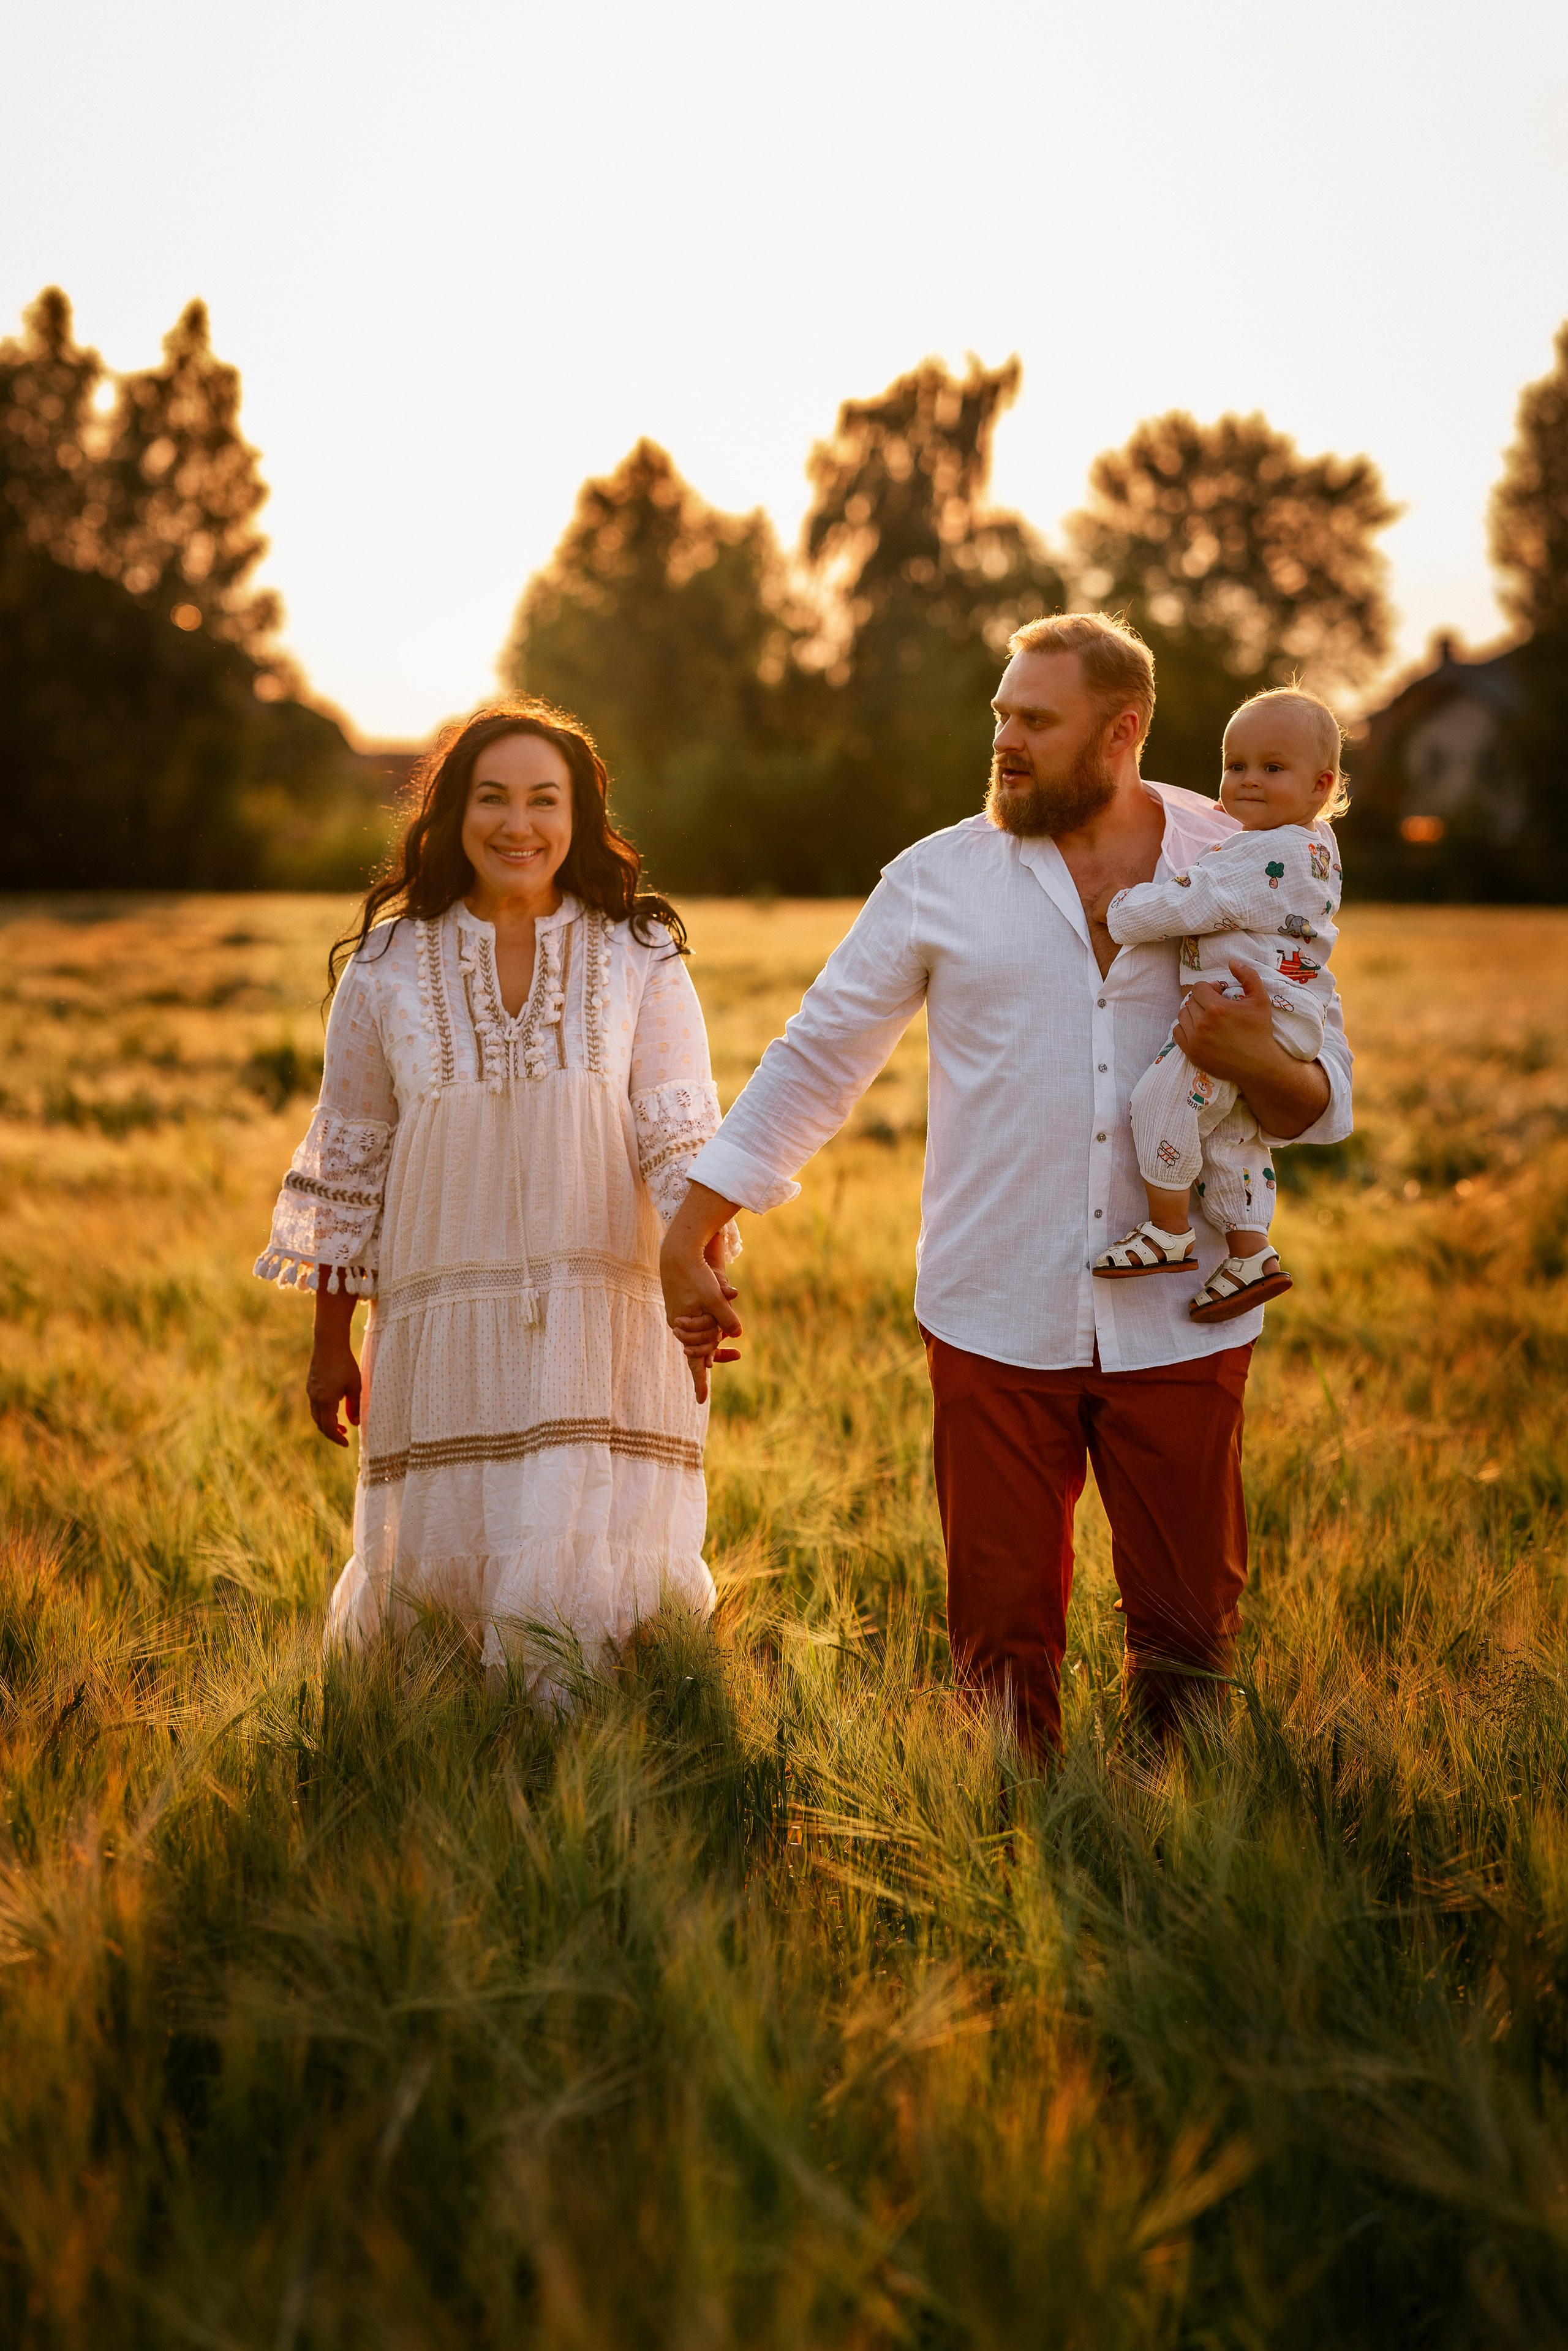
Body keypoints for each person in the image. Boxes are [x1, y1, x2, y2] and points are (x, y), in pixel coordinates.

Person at [658, 613, 1352, 1756]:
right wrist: (696, 1222)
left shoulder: (1241, 856)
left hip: (1182, 1324)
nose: (1006, 741)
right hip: (991, 1319)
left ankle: (1169, 1868)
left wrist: (1256, 1061)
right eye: (1001, 717)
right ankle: (1015, 1851)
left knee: (1188, 1636)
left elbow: (1320, 1094)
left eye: (1036, 720)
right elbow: (820, 1053)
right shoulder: (939, 878)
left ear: (1120, 730)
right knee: (997, 1646)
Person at [255, 699, 736, 1692]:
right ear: (450, 814)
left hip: (598, 1304)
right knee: (447, 1564)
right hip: (438, 1304)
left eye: (544, 800)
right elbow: (351, 1160)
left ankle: (573, 1725)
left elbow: (682, 1137)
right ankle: (445, 1726)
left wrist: (698, 1280)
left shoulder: (638, 953)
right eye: (494, 798)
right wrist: (327, 1340)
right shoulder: (385, 968)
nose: (519, 825)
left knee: (578, 1529)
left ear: (582, 817)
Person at [1089, 686, 1346, 1324]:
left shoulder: (1269, 854)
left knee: (1160, 1101)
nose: (1248, 781)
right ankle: (1249, 1251)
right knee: (1230, 1134)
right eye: (1235, 765)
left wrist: (1117, 910)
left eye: (1272, 767)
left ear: (1321, 784)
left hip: (1237, 1012)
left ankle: (1167, 1229)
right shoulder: (1315, 847)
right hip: (1286, 1017)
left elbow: (1192, 901)